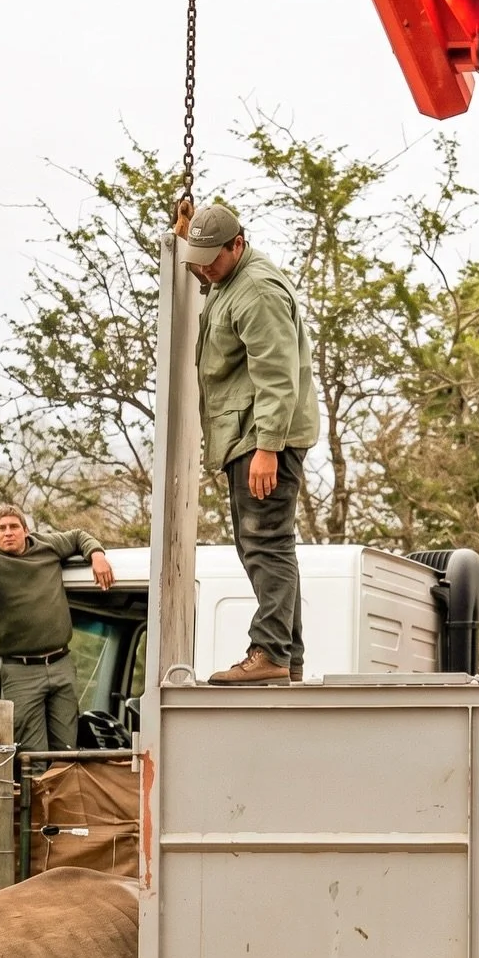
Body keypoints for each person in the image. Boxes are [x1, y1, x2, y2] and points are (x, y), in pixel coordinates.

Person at [181, 202, 320, 685]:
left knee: (266, 544)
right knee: (264, 545)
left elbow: (277, 375)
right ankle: (288, 655)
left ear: (236, 244)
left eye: (209, 256)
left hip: (261, 437)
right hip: (246, 433)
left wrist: (268, 448)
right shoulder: (226, 277)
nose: (201, 266)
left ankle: (271, 651)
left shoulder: (256, 290)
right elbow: (205, 271)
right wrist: (186, 233)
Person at [0, 504, 114, 751]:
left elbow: (78, 536)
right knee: (33, 753)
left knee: (67, 750)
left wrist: (97, 555)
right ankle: (38, 789)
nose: (8, 533)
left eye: (14, 527)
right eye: (2, 528)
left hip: (61, 663)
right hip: (21, 671)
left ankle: (62, 789)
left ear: (26, 531)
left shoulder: (47, 545)